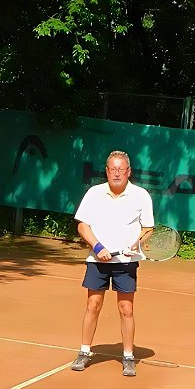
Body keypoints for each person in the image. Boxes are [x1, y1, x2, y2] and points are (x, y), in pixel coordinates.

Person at [70, 150, 154, 376]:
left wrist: (136, 244)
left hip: (126, 263)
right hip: (97, 261)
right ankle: (84, 352)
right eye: (113, 169)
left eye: (121, 169)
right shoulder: (94, 193)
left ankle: (128, 356)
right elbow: (82, 225)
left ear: (129, 172)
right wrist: (98, 248)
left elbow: (148, 229)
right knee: (93, 305)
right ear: (107, 171)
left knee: (126, 308)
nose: (117, 173)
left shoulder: (141, 195)